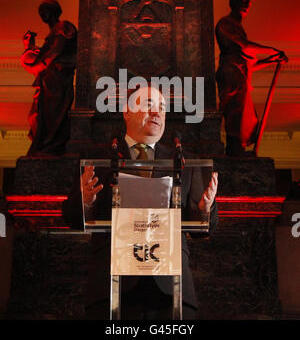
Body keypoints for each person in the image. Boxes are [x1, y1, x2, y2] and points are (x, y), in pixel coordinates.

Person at [62, 85, 218, 320]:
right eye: (148, 105)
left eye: (162, 108)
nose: (157, 113)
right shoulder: (98, 159)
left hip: (171, 288)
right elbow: (72, 217)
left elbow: (201, 228)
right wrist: (85, 200)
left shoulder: (185, 163)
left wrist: (205, 210)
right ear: (127, 111)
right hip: (112, 285)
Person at [215, 0, 287, 157]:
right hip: (232, 75)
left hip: (240, 74)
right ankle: (234, 149)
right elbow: (245, 47)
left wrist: (272, 59)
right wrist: (273, 50)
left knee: (246, 116)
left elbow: (249, 64)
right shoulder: (225, 23)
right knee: (235, 112)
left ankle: (238, 148)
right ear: (233, 4)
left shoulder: (238, 26)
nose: (246, 4)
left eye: (248, 2)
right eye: (243, 1)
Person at [21, 0, 77, 156]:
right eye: (40, 12)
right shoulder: (52, 32)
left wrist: (39, 65)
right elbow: (43, 56)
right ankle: (44, 144)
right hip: (48, 79)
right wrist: (29, 46)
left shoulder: (63, 26)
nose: (42, 15)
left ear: (54, 10)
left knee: (53, 113)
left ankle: (51, 145)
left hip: (58, 79)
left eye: (45, 10)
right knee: (37, 115)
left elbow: (54, 52)